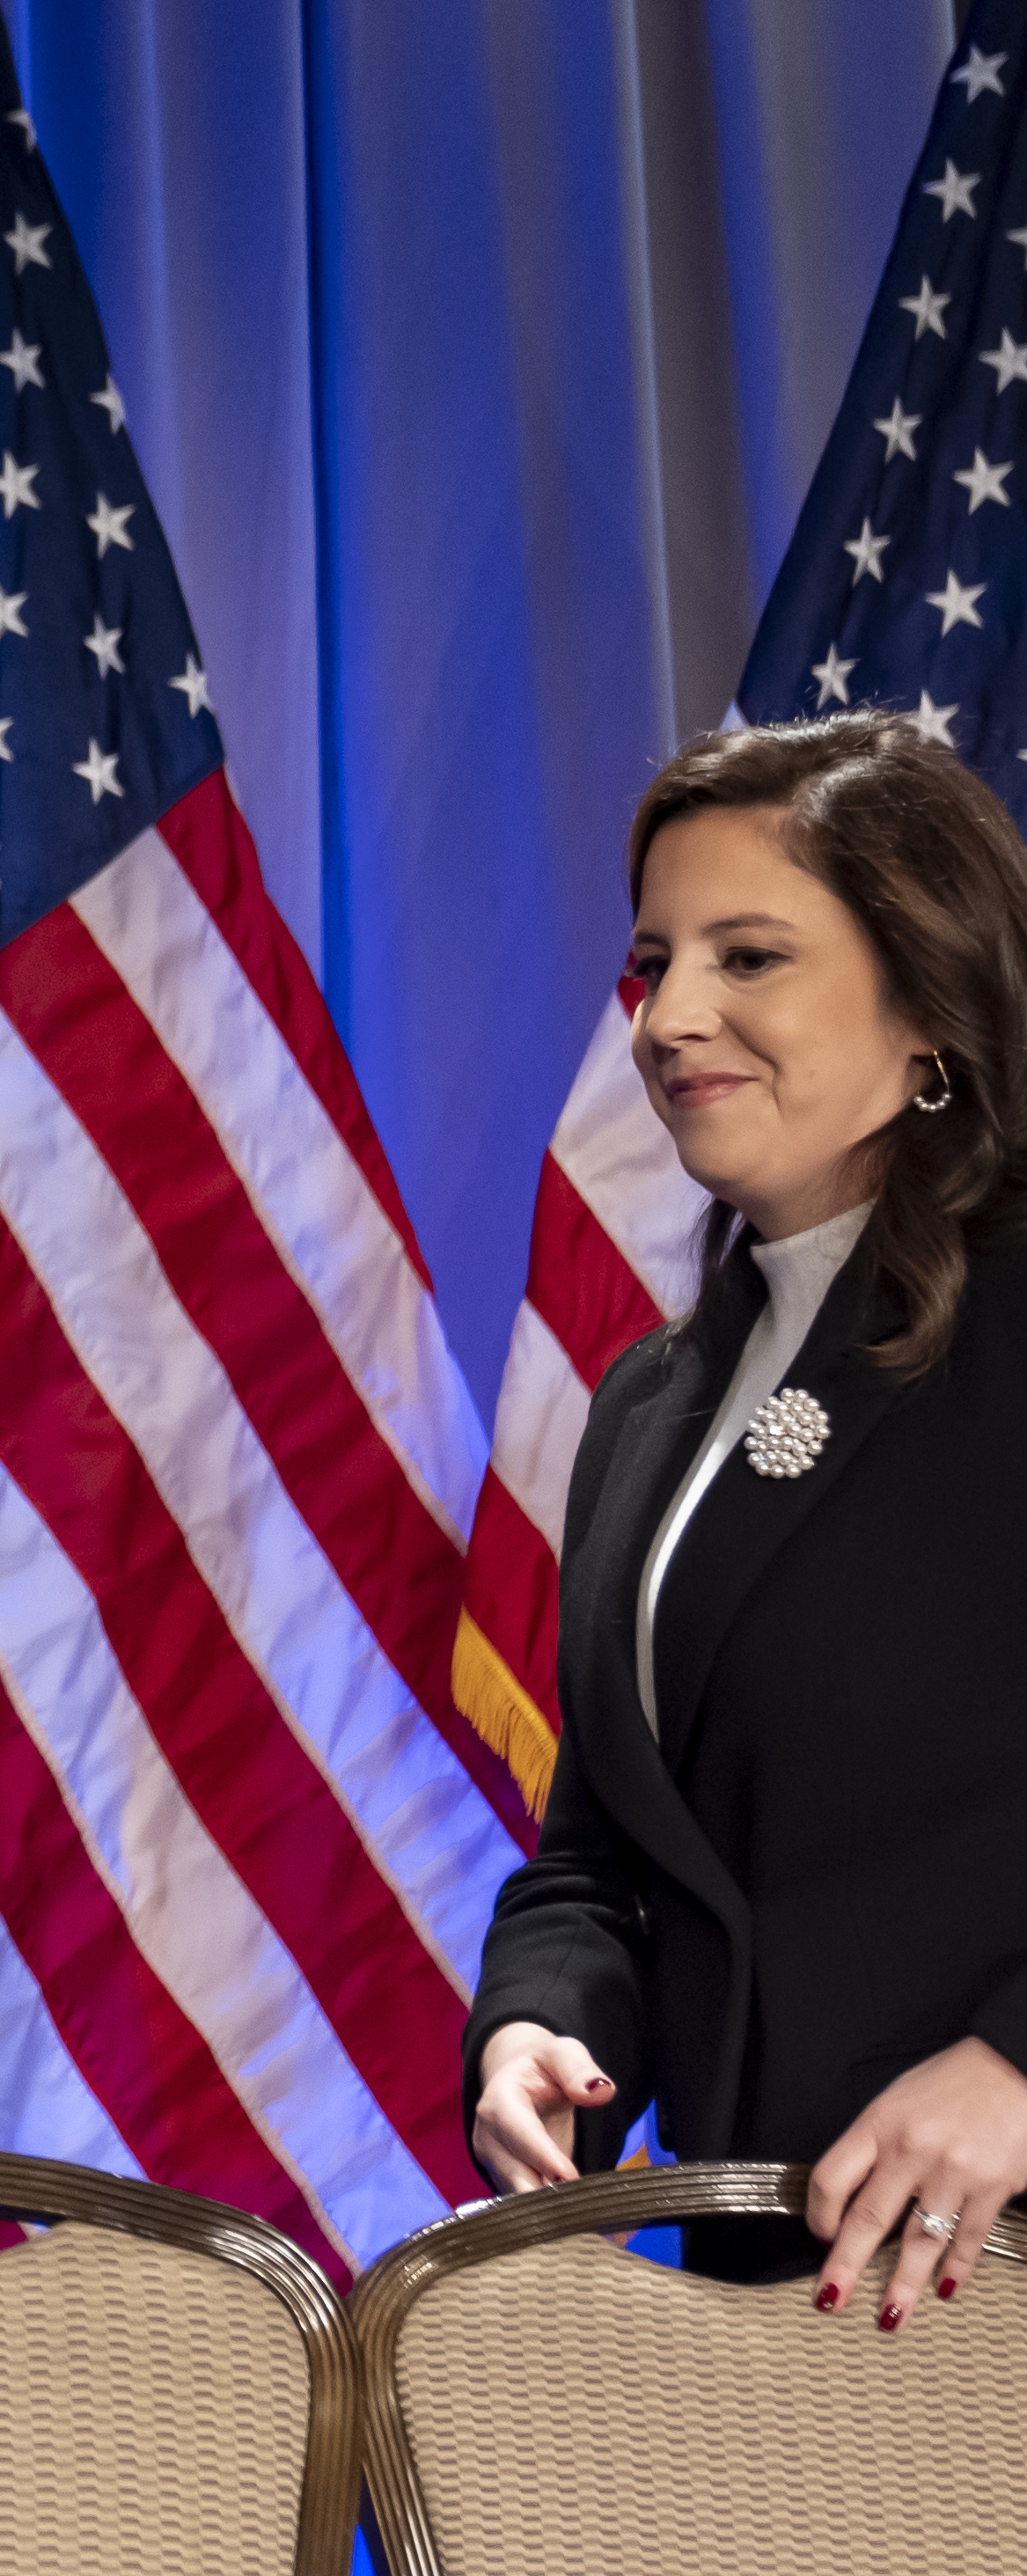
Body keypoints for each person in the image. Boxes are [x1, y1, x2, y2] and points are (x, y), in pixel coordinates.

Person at [466, 709, 1027, 2313]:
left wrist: (1018, 2071)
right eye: (655, 963)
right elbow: (611, 1856)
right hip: (773, 2298)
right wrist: (541, 2023)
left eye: (751, 956)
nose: (668, 1017)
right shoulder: (651, 1406)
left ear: (931, 1009)